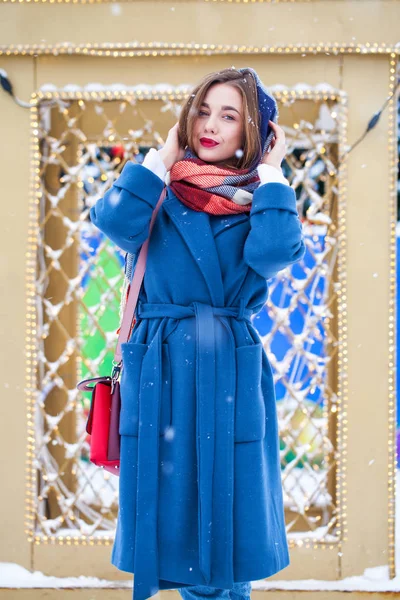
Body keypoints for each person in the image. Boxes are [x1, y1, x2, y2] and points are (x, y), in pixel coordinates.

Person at [89, 67, 306, 600]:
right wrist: (157, 163)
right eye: (203, 110)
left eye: (229, 115)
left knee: (225, 541)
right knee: (178, 530)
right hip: (160, 370)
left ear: (254, 133)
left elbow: (275, 253)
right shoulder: (157, 193)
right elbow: (114, 222)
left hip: (225, 371)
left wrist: (275, 175)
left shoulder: (261, 202)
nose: (210, 125)